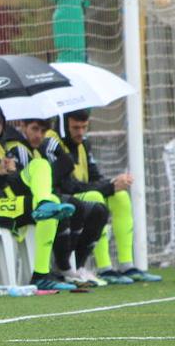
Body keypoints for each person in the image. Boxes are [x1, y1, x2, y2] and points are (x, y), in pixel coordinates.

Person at [0, 100, 78, 291]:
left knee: (41, 167)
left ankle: (42, 274)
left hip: (6, 199)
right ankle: (44, 274)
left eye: (0, 122)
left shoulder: (0, 148)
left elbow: (12, 183)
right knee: (52, 203)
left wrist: (8, 173)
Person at [45, 109, 162, 284]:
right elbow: (67, 185)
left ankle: (126, 265)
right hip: (64, 198)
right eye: (75, 127)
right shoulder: (52, 143)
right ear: (63, 126)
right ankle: (104, 268)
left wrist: (113, 183)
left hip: (80, 194)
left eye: (84, 127)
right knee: (95, 197)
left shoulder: (84, 144)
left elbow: (95, 177)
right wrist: (108, 187)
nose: (81, 132)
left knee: (120, 196)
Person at [12, 118, 108, 287]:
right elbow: (16, 184)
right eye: (34, 129)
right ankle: (45, 273)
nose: (39, 135)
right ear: (23, 126)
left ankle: (75, 267)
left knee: (97, 207)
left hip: (44, 196)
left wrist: (64, 161)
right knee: (53, 200)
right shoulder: (17, 149)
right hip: (8, 203)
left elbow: (67, 183)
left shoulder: (42, 149)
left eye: (42, 131)